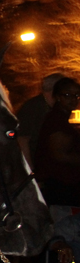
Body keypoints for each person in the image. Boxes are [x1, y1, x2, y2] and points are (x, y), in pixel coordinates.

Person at [35, 77, 80, 207]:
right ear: (58, 97)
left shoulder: (63, 118)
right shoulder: (56, 120)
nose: (73, 99)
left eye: (76, 95)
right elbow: (59, 154)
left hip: (65, 183)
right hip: (60, 185)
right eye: (67, 95)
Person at [17, 73, 64, 169]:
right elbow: (22, 139)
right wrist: (30, 170)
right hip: (37, 164)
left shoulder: (52, 108)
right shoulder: (33, 108)